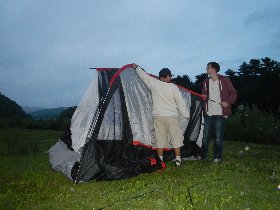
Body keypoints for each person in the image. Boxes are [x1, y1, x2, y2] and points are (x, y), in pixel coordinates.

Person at [132, 63, 190, 167]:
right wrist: (186, 114)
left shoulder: (154, 83)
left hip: (159, 117)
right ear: (167, 76)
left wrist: (137, 68)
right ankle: (178, 160)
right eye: (170, 76)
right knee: (175, 138)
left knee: (160, 139)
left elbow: (144, 76)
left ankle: (160, 161)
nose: (171, 78)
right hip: (171, 117)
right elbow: (180, 102)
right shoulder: (173, 87)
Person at [200, 62, 237, 163]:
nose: (206, 69)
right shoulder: (205, 81)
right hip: (209, 112)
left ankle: (217, 157)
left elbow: (233, 93)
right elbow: (204, 94)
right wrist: (203, 96)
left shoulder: (225, 80)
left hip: (220, 113)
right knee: (205, 136)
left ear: (214, 69)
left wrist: (228, 102)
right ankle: (203, 155)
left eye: (208, 67)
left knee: (218, 137)